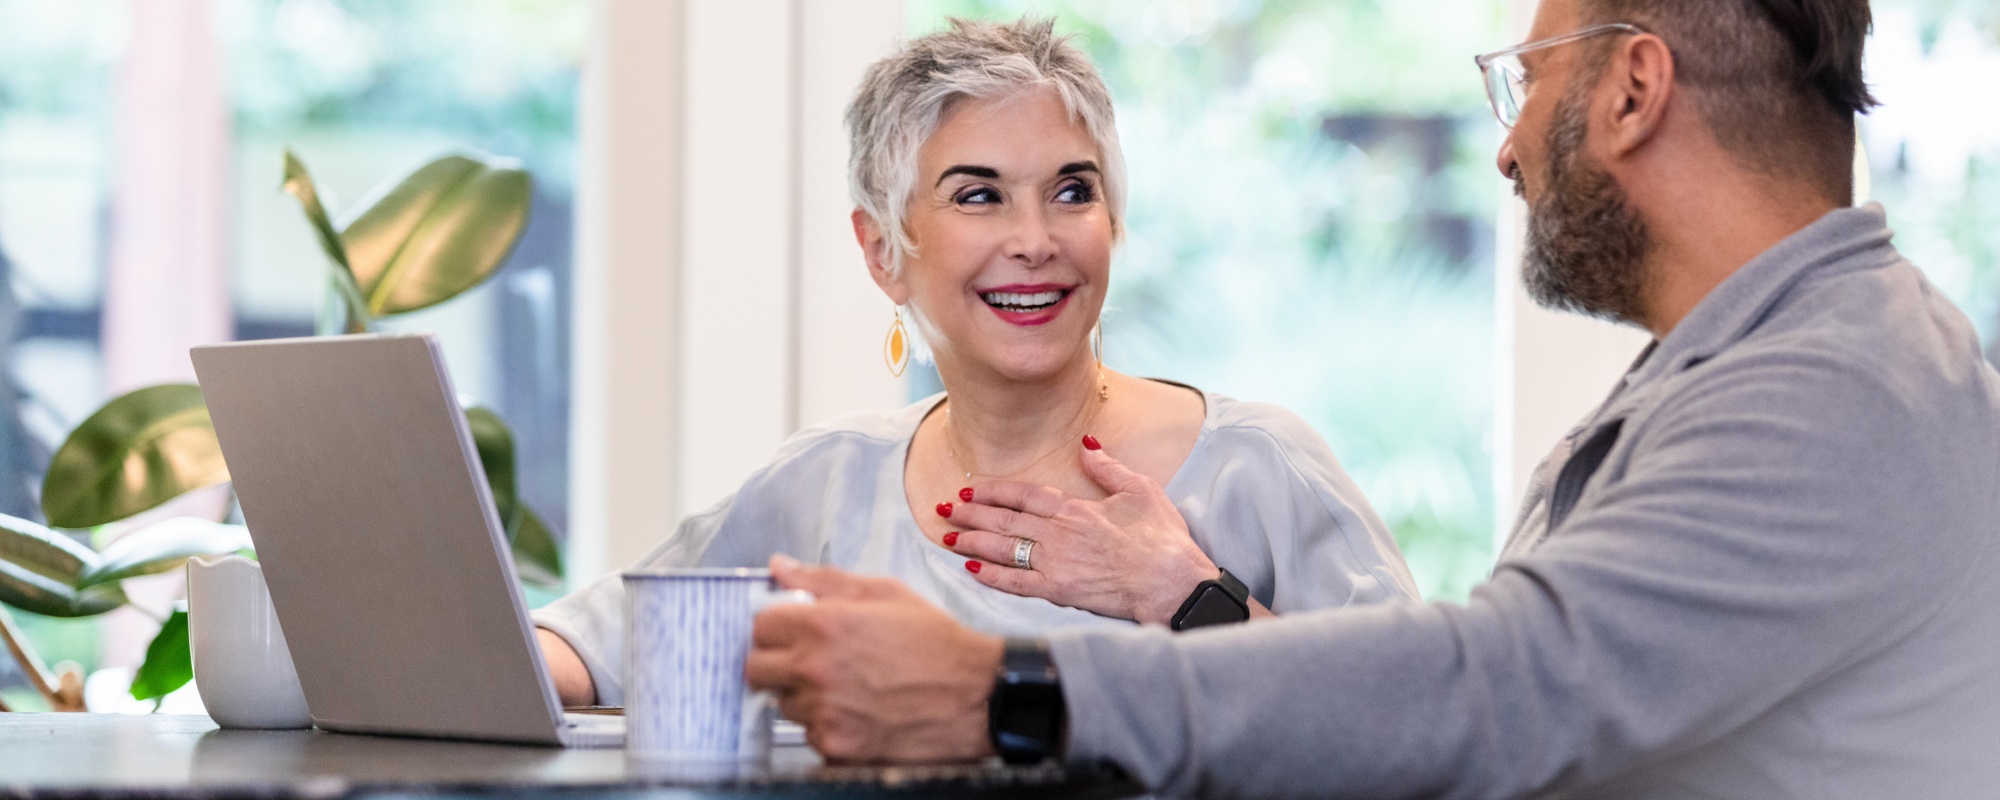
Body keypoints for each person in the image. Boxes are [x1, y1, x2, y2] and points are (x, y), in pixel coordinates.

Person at [744, 0, 2000, 796]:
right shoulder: (1773, 365)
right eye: (977, 195)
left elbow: (1496, 687)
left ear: (1630, 88)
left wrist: (1003, 687)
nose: (1506, 146)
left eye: (1527, 81)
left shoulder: (1831, 389)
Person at [532, 18, 1419, 709]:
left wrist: (1188, 596)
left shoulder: (1258, 463)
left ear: (1112, 223)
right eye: (979, 196)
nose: (1035, 242)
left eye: (1073, 191)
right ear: (883, 249)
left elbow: (1425, 733)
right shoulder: (824, 482)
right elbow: (596, 645)